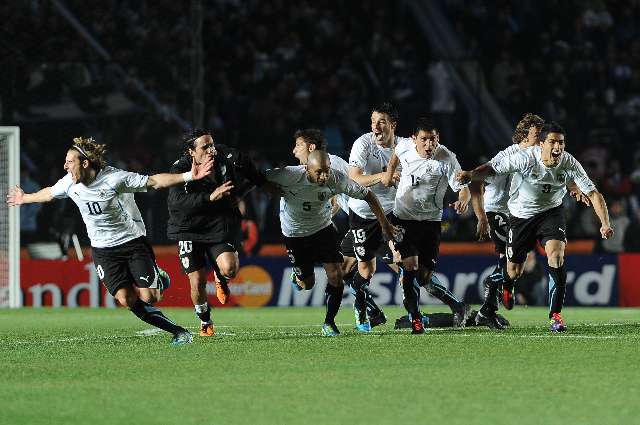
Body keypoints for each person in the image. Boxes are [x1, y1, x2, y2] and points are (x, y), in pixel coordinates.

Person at [7, 137, 213, 345]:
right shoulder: (69, 182)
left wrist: (189, 175)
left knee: (151, 297)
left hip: (131, 243)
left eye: (69, 162)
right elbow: (50, 193)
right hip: (103, 250)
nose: (65, 166)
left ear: (84, 163)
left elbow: (155, 182)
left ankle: (158, 276)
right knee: (126, 298)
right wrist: (25, 198)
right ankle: (178, 332)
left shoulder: (114, 178)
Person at [457, 122, 614, 332]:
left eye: (561, 142)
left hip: (551, 213)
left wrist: (605, 223)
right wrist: (470, 174)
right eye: (553, 142)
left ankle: (555, 316)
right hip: (521, 217)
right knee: (514, 271)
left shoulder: (569, 162)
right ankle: (505, 282)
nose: (558, 147)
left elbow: (594, 193)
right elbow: (491, 169)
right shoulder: (524, 158)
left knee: (556, 256)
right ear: (541, 144)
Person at [264, 150, 396, 336]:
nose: (324, 176)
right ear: (306, 169)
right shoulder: (289, 174)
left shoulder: (336, 178)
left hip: (322, 229)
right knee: (308, 284)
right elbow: (257, 176)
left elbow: (368, 196)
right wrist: (266, 187)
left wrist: (385, 224)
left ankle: (329, 322)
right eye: (319, 172)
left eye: (326, 171)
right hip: (295, 234)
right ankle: (298, 275)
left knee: (336, 274)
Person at [167, 128, 266, 337]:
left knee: (230, 269)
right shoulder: (180, 168)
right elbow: (176, 202)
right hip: (188, 228)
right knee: (197, 282)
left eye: (212, 144)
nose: (211, 150)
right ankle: (205, 320)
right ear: (191, 152)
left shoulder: (226, 156)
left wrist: (247, 188)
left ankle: (221, 277)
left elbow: (250, 169)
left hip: (218, 223)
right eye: (205, 147)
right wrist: (210, 197)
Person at [290, 128, 387, 331]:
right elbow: (332, 201)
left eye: (298, 145)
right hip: (362, 218)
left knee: (397, 265)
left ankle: (388, 312)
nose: (294, 151)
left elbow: (346, 196)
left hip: (368, 218)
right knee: (344, 270)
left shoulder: (329, 165)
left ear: (311, 148)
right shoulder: (319, 168)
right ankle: (372, 312)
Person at [385, 118, 471, 334]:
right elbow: (395, 154)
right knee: (409, 266)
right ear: (414, 139)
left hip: (431, 222)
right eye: (424, 139)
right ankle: (415, 318)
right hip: (403, 218)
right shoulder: (404, 146)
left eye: (433, 139)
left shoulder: (447, 158)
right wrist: (389, 173)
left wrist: (463, 200)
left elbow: (463, 187)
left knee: (424, 276)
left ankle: (458, 306)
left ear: (438, 138)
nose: (429, 144)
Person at [470, 113, 545, 308]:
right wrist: (481, 217)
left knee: (512, 258)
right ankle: (494, 283)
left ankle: (499, 294)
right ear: (524, 136)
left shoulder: (535, 157)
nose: (541, 140)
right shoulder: (507, 156)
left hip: (515, 212)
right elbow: (476, 177)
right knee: (512, 255)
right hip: (496, 210)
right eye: (537, 135)